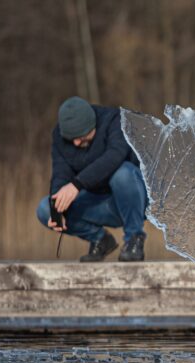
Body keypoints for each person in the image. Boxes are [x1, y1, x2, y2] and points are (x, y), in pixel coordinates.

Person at [36, 96, 147, 262]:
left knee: (123, 173)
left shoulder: (115, 120)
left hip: (132, 199)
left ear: (93, 124)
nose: (76, 142)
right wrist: (57, 209)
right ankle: (101, 240)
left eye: (81, 135)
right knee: (45, 209)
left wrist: (76, 185)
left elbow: (115, 156)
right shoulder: (60, 137)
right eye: (71, 138)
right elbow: (60, 173)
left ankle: (134, 240)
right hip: (97, 203)